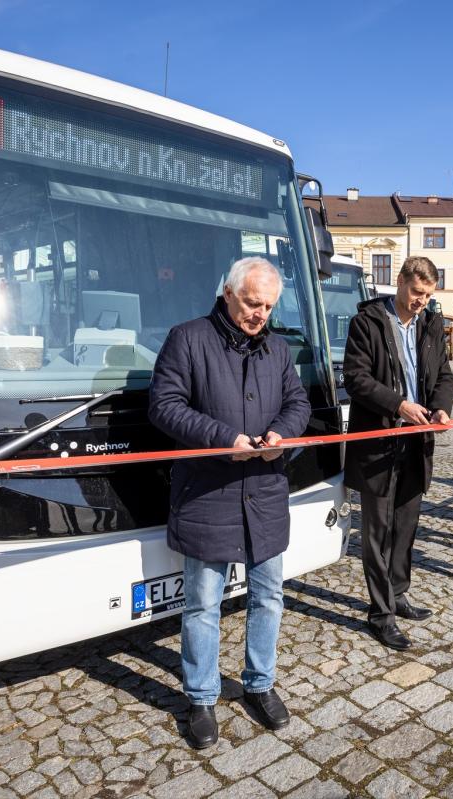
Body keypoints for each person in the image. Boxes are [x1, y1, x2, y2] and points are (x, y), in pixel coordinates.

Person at [148, 256, 311, 750]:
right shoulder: (187, 338)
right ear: (227, 293)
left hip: (264, 494)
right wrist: (224, 439)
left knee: (269, 598)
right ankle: (200, 698)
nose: (260, 313)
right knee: (202, 604)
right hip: (207, 494)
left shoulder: (278, 349)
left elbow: (298, 403)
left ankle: (259, 685)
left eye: (268, 306)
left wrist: (284, 434)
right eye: (252, 302)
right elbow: (164, 405)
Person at [344, 256, 453, 651]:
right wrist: (398, 405)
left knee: (406, 524)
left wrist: (440, 407)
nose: (421, 301)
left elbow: (443, 374)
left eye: (427, 295)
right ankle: (380, 613)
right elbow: (356, 379)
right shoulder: (368, 321)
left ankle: (399, 592)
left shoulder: (431, 323)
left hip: (417, 440)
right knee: (377, 531)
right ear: (399, 282)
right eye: (416, 293)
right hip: (378, 439)